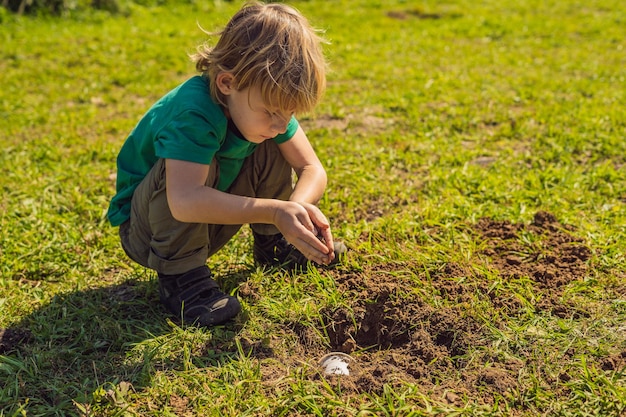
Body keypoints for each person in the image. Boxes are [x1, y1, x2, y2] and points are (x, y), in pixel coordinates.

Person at [106, 1, 345, 327]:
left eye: (288, 114)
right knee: (190, 166)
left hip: (204, 218)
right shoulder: (195, 111)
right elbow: (185, 200)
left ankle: (273, 245)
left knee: (272, 144)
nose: (280, 122)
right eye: (272, 111)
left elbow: (311, 168)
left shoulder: (266, 109)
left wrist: (295, 212)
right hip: (149, 229)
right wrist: (274, 210)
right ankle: (182, 279)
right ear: (227, 83)